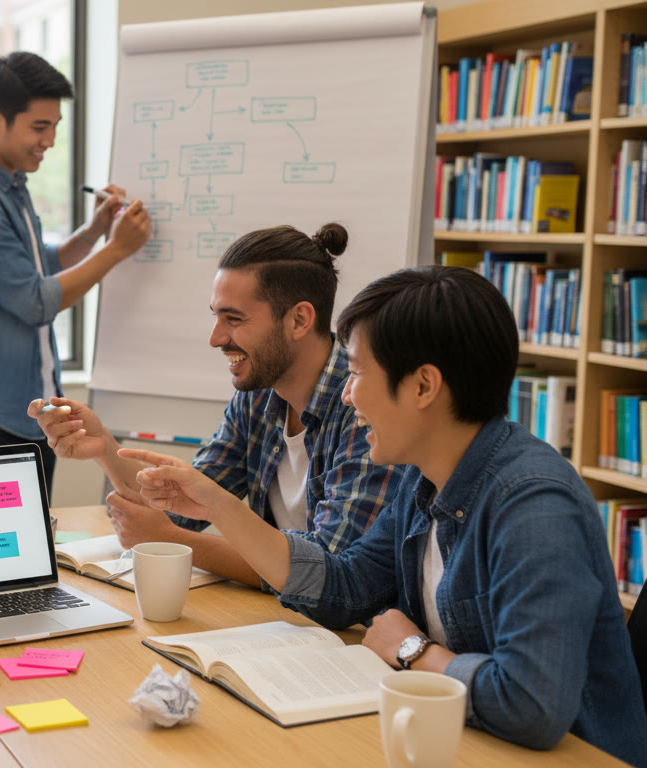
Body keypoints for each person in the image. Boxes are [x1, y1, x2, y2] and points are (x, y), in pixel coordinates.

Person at [122, 266, 647, 764]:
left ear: (423, 386)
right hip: (462, 736)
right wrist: (217, 504)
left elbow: (532, 706)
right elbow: (342, 587)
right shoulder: (426, 478)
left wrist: (412, 651)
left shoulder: (534, 507)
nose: (347, 396)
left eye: (355, 373)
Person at [32, 223, 396, 586]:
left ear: (299, 320)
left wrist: (173, 542)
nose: (216, 338)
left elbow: (325, 571)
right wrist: (106, 450)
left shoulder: (364, 407)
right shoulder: (256, 397)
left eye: (234, 319)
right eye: (216, 316)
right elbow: (181, 507)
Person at [0, 51, 152, 497]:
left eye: (54, 127)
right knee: (3, 548)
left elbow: (37, 264)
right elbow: (34, 301)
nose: (49, 140)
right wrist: (117, 250)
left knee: (24, 547)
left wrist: (94, 232)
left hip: (25, 404)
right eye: (38, 127)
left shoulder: (8, 183)